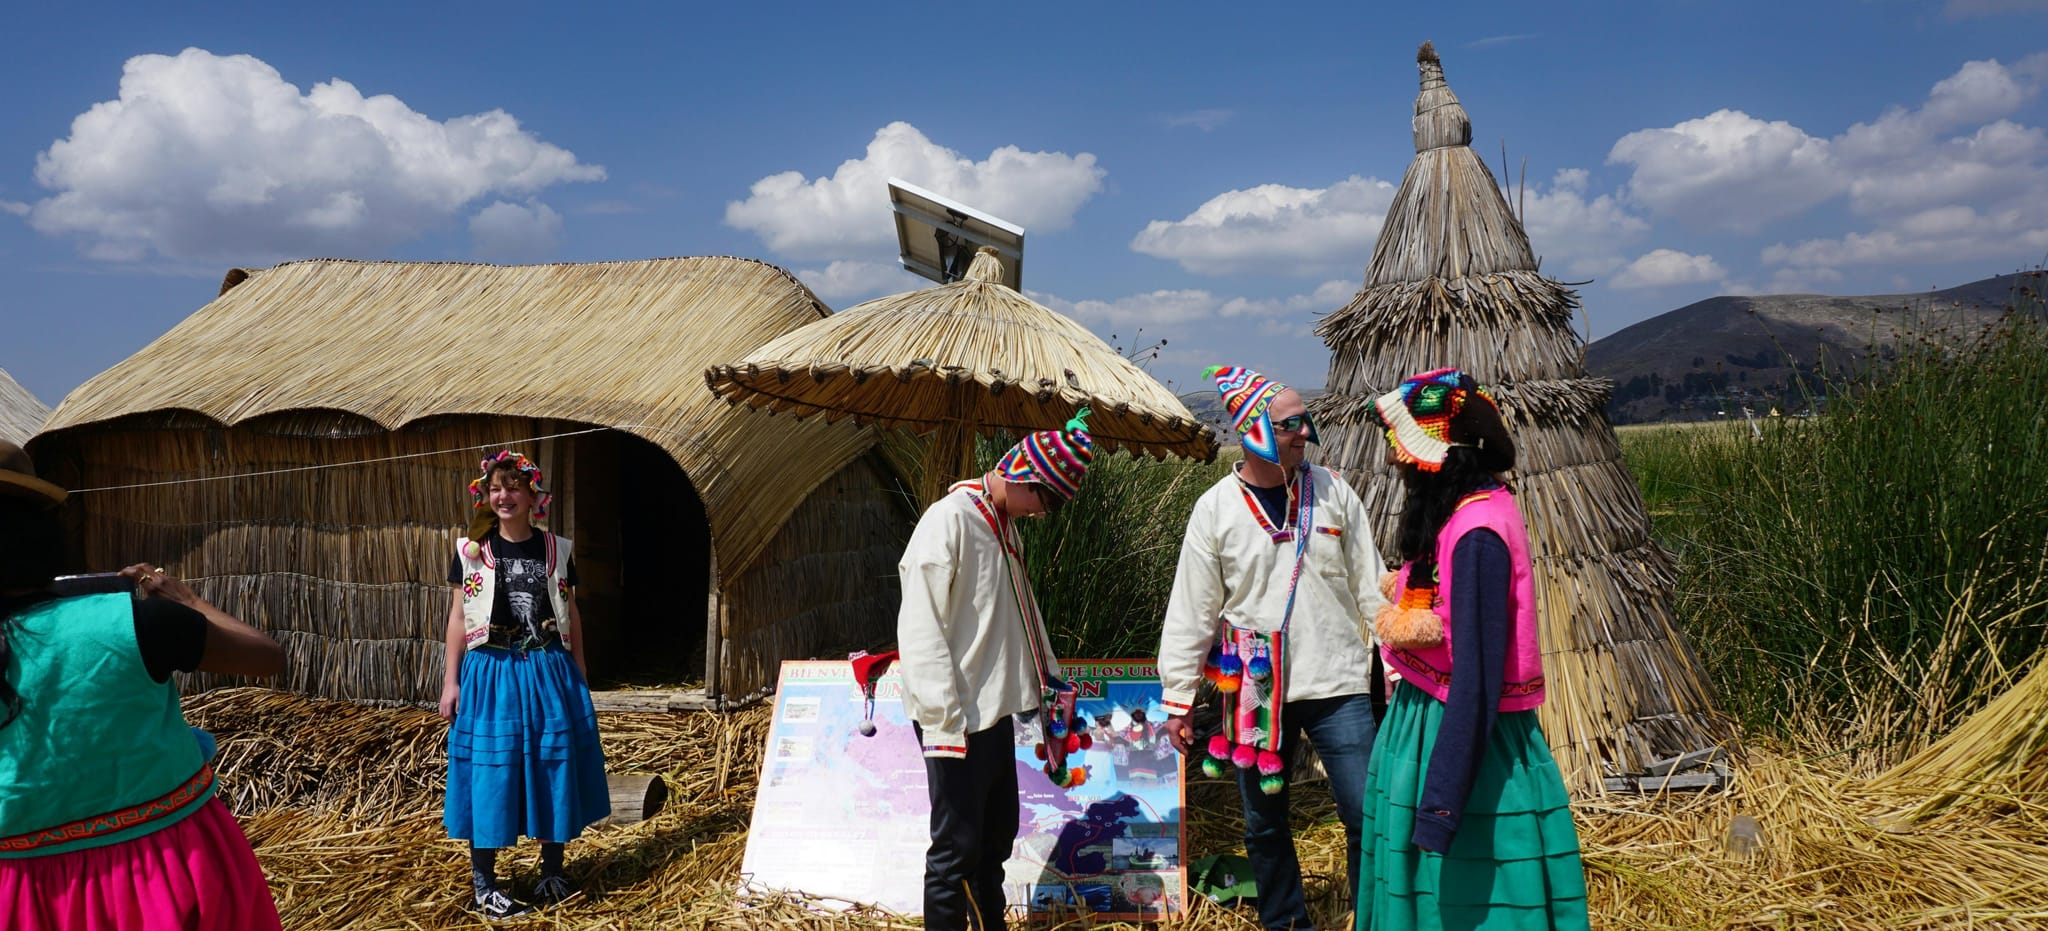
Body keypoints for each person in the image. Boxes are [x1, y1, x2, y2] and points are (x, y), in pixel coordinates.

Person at [0, 439, 286, 931]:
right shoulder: (135, 622)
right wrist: (187, 601)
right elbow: (267, 656)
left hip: (18, 898)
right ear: (37, 531)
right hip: (164, 876)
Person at [1158, 365, 1391, 931]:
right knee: (1264, 822)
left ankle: (1375, 920)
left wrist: (1393, 661)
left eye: (1305, 421)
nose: (1305, 432)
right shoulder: (1216, 508)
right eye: (1291, 424)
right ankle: (1286, 922)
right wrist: (1179, 696)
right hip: (1257, 691)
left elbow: (1372, 583)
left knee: (1368, 814)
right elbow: (1193, 607)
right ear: (1255, 429)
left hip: (1338, 683)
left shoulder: (1334, 492)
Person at [1356, 368, 1588, 930]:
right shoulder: (1464, 515)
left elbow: (1477, 678)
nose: (1395, 463)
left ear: (1437, 457)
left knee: (1467, 885)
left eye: (1402, 452)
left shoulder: (1478, 533)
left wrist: (1440, 804)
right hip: (1427, 715)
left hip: (1458, 734)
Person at [896, 411, 1096, 931]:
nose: (1044, 513)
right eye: (1045, 499)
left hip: (993, 711)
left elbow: (1021, 610)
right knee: (956, 847)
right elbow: (921, 625)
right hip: (957, 715)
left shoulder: (1001, 526)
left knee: (995, 835)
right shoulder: (950, 520)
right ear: (1022, 476)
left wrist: (1050, 679)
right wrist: (944, 717)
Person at [440, 450, 610, 919]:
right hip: (491, 674)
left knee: (552, 765)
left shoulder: (557, 549)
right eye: (496, 488)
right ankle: (484, 884)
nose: (503, 495)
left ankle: (552, 872)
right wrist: (450, 682)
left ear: (534, 496)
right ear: (485, 496)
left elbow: (570, 611)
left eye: (513, 487)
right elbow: (458, 619)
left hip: (546, 669)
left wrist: (579, 670)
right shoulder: (471, 553)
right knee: (491, 773)